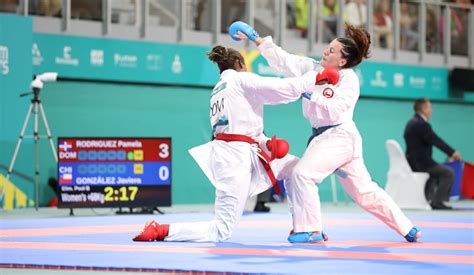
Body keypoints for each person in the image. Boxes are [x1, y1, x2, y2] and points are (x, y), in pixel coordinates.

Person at [230, 21, 421, 243]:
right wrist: (255, 38)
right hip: (323, 138)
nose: (325, 51)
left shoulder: (349, 79)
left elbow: (337, 109)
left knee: (303, 174)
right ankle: (409, 229)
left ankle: (311, 230)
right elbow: (284, 60)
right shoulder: (312, 69)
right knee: (364, 192)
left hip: (340, 135)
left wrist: (309, 92)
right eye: (327, 47)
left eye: (331, 50)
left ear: (343, 60)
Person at [132, 45, 331, 242]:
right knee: (222, 229)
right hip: (234, 158)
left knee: (294, 168)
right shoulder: (240, 79)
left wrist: (266, 143)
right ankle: (162, 230)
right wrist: (314, 77)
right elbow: (282, 89)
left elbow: (241, 128)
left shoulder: (219, 88)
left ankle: (303, 228)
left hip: (239, 151)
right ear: (239, 64)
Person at [404, 98, 461, 210]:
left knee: (434, 173)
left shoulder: (411, 123)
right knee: (448, 172)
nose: (431, 110)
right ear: (424, 108)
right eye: (430, 107)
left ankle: (428, 199)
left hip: (413, 162)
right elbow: (436, 140)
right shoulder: (422, 124)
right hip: (422, 164)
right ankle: (438, 202)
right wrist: (453, 152)